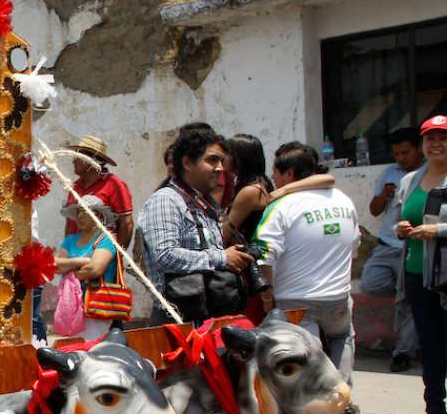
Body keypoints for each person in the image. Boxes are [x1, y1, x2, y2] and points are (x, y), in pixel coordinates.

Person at [253, 142, 360, 414]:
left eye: (275, 171)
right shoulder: (344, 200)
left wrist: (268, 295)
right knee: (342, 340)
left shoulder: (282, 206)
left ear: (288, 172)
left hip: (296, 300)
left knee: (307, 372)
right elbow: (354, 245)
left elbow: (263, 255)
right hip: (338, 296)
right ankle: (341, 397)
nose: (272, 177)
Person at [140, 127, 254, 324]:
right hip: (178, 319)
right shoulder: (166, 200)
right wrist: (221, 258)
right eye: (212, 160)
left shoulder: (204, 203)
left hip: (207, 314)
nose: (220, 168)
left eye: (221, 161)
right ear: (187, 162)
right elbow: (164, 256)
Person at [221, 134, 336, 323]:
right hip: (266, 269)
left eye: (225, 155)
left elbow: (224, 235)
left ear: (237, 158)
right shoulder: (264, 184)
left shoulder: (249, 191)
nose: (221, 161)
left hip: (253, 270)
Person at [393, 114, 447, 414]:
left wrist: (439, 230)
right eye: (430, 138)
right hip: (416, 275)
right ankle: (435, 411)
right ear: (423, 145)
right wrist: (402, 229)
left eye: (443, 138)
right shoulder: (410, 180)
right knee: (429, 346)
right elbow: (403, 221)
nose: (437, 144)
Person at [360, 127, 424, 373]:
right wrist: (384, 196)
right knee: (370, 284)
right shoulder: (390, 173)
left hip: (412, 246)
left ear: (418, 149)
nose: (400, 158)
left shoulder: (427, 174)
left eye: (405, 153)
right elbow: (374, 210)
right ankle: (404, 293)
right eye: (396, 154)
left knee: (408, 300)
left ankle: (403, 352)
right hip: (386, 246)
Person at [54, 195, 121, 340]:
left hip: (97, 306)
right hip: (72, 307)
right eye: (78, 212)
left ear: (97, 215)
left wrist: (70, 269)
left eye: (85, 212)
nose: (80, 216)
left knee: (94, 349)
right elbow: (56, 266)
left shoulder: (106, 238)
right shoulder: (70, 241)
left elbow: (94, 269)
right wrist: (82, 261)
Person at [63, 135, 134, 247]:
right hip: (74, 256)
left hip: (101, 257)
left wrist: (116, 255)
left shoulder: (114, 184)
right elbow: (70, 224)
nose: (73, 161)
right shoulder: (74, 187)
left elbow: (127, 223)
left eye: (76, 156)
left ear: (90, 160)